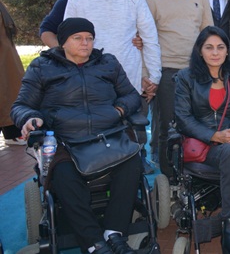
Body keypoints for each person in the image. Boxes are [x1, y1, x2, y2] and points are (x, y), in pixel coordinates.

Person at [11, 18, 142, 254]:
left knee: (131, 163)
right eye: (78, 38)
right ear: (63, 42)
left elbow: (131, 96)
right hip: (66, 140)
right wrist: (30, 118)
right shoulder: (43, 67)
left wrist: (119, 110)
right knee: (63, 173)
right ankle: (93, 243)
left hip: (107, 135)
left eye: (89, 38)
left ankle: (114, 233)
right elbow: (21, 106)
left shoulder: (108, 63)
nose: (85, 43)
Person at [64, 0, 161, 173]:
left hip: (129, 80)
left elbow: (150, 37)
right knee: (97, 135)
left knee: (133, 130)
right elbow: (67, 41)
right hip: (90, 82)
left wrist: (154, 76)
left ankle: (138, 158)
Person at [174, 26, 230, 254]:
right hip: (202, 145)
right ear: (200, 51)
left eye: (220, 47)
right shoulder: (185, 77)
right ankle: (229, 227)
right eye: (209, 47)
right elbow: (183, 118)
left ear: (227, 51)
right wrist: (216, 136)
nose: (215, 53)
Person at [145, 0, 213, 176]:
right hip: (167, 72)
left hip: (196, 72)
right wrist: (147, 75)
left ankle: (194, 174)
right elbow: (145, 39)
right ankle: (169, 179)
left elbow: (208, 35)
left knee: (198, 125)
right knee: (168, 127)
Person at [0, 0, 25, 145]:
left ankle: (13, 133)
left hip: (5, 60)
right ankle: (12, 134)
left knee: (7, 93)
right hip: (7, 60)